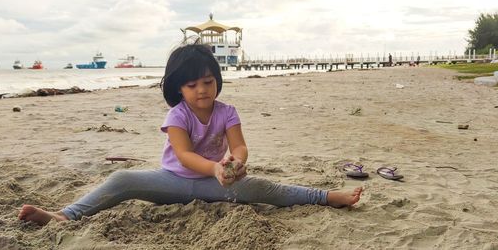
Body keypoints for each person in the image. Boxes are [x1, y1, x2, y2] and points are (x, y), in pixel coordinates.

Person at [18, 43, 363, 226]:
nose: (202, 90)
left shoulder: (227, 111)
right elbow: (182, 155)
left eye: (208, 82)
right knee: (121, 179)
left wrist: (235, 164)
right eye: (192, 84)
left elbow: (239, 145)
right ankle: (65, 216)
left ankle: (325, 196)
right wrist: (214, 166)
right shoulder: (177, 114)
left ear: (217, 81)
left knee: (264, 187)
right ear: (177, 88)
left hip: (218, 186)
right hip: (170, 182)